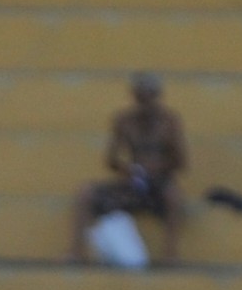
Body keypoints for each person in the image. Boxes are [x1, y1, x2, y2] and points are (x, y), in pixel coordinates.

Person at [78, 71, 189, 265]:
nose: (146, 103)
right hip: (133, 181)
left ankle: (171, 254)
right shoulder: (124, 121)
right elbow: (111, 160)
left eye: (149, 96)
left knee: (172, 195)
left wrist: (157, 168)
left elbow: (181, 162)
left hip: (159, 183)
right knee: (86, 193)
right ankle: (76, 252)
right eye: (141, 97)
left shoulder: (169, 122)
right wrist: (129, 170)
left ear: (157, 96)